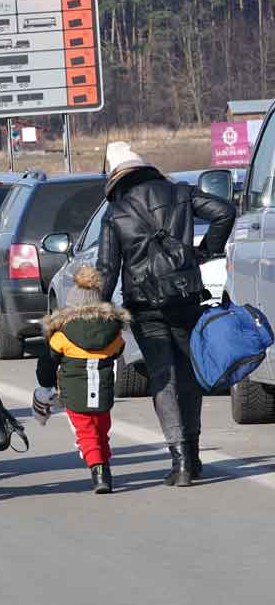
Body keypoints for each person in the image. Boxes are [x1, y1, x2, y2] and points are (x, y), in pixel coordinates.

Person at [96, 142, 235, 487]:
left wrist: (98, 312)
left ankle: (180, 461)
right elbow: (224, 212)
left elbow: (107, 268)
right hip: (186, 296)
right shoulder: (180, 193)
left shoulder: (115, 214)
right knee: (190, 373)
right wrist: (205, 252)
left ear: (115, 177)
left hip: (144, 305)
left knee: (163, 376)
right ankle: (195, 454)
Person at [36, 266, 130, 494]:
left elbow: (47, 364)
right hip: (104, 391)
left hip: (74, 392)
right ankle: (105, 467)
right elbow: (119, 350)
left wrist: (46, 384)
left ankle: (98, 471)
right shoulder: (112, 333)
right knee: (101, 430)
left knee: (86, 433)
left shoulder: (62, 335)